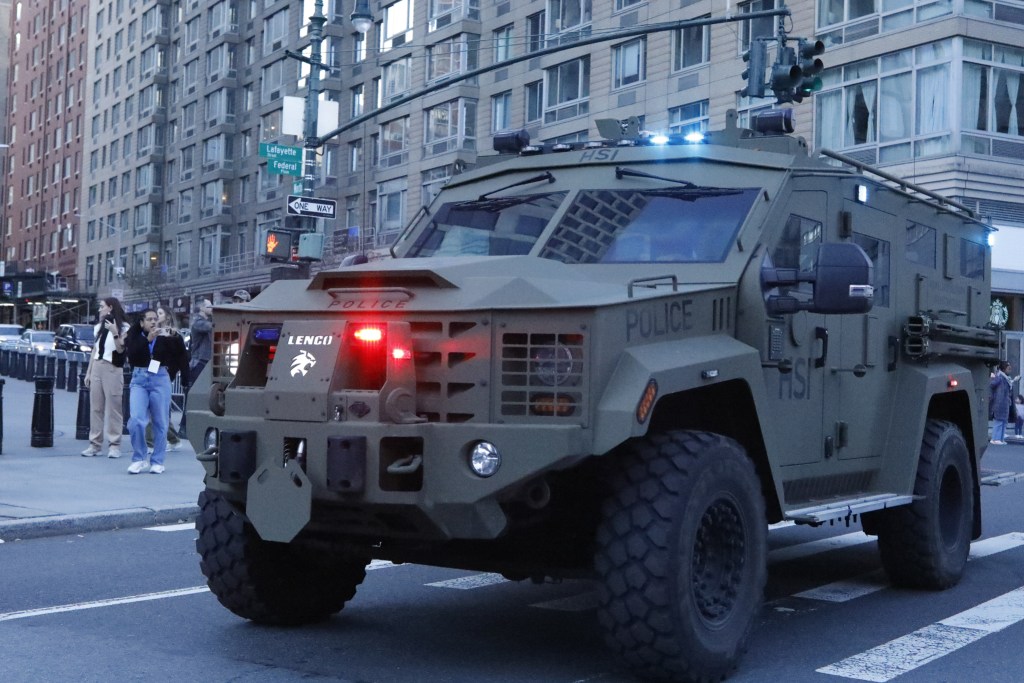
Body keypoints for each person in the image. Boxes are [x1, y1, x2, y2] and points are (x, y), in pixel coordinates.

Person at [125, 308, 190, 474]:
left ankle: (158, 461)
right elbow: (132, 355)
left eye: (155, 319)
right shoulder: (135, 335)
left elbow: (181, 355)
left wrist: (174, 339)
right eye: (149, 319)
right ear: (142, 322)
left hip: (160, 378)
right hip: (139, 378)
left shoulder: (165, 336)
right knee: (136, 420)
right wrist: (148, 340)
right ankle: (139, 458)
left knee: (160, 422)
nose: (153, 322)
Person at [81, 297, 129, 458]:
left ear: (110, 308)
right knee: (96, 407)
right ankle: (95, 444)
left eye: (102, 306)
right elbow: (94, 350)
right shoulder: (98, 328)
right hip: (97, 366)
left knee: (114, 407)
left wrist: (115, 333)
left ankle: (115, 445)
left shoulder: (124, 328)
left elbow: (121, 350)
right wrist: (89, 372)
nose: (99, 309)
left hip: (113, 368)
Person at [145, 305, 185, 451]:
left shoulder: (173, 335)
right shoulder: (155, 333)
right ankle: (172, 438)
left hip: (164, 374)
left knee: (154, 408)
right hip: (153, 371)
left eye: (160, 314)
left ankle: (150, 443)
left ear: (167, 316)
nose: (157, 316)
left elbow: (178, 358)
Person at [180, 298, 213, 438]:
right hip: (199, 362)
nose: (212, 308)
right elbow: (211, 326)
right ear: (201, 309)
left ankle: (187, 427)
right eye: (209, 306)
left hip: (204, 362)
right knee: (193, 397)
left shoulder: (204, 321)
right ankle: (184, 427)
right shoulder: (199, 323)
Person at [990, 360, 1013, 445]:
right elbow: (992, 384)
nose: (1010, 370)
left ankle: (1000, 438)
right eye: (1008, 368)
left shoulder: (1006, 378)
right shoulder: (1000, 377)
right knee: (998, 421)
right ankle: (995, 438)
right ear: (1004, 369)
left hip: (1004, 403)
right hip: (999, 402)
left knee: (1003, 422)